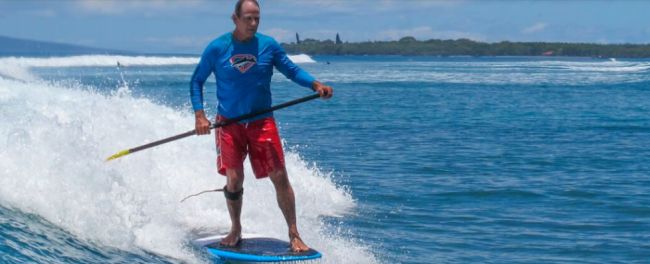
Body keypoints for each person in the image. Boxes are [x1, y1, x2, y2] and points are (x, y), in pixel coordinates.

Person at [189, 0, 333, 252]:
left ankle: (294, 234)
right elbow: (196, 81)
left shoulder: (268, 46)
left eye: (257, 18)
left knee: (279, 174)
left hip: (261, 121)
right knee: (234, 179)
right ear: (235, 18)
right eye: (248, 18)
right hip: (228, 124)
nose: (253, 24)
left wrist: (315, 85)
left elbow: (292, 70)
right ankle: (235, 228)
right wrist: (200, 116)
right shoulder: (217, 48)